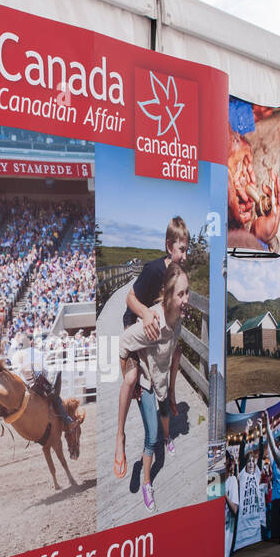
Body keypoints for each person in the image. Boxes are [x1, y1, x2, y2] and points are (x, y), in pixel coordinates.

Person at [113, 217, 188, 478]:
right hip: (135, 321)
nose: (185, 255)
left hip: (157, 331)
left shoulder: (178, 276)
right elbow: (129, 297)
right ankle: (120, 436)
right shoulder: (156, 270)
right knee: (132, 377)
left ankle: (163, 430)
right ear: (169, 247)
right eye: (182, 249)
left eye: (187, 249)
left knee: (165, 364)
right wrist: (144, 313)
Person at [118, 263, 190, 512]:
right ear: (168, 297)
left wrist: (171, 391)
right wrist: (130, 377)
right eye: (180, 294)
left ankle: (168, 436)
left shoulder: (177, 321)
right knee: (152, 436)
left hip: (161, 381)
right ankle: (147, 481)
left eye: (187, 292)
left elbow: (171, 352)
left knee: (166, 414)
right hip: (146, 382)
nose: (186, 299)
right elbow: (124, 342)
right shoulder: (153, 324)